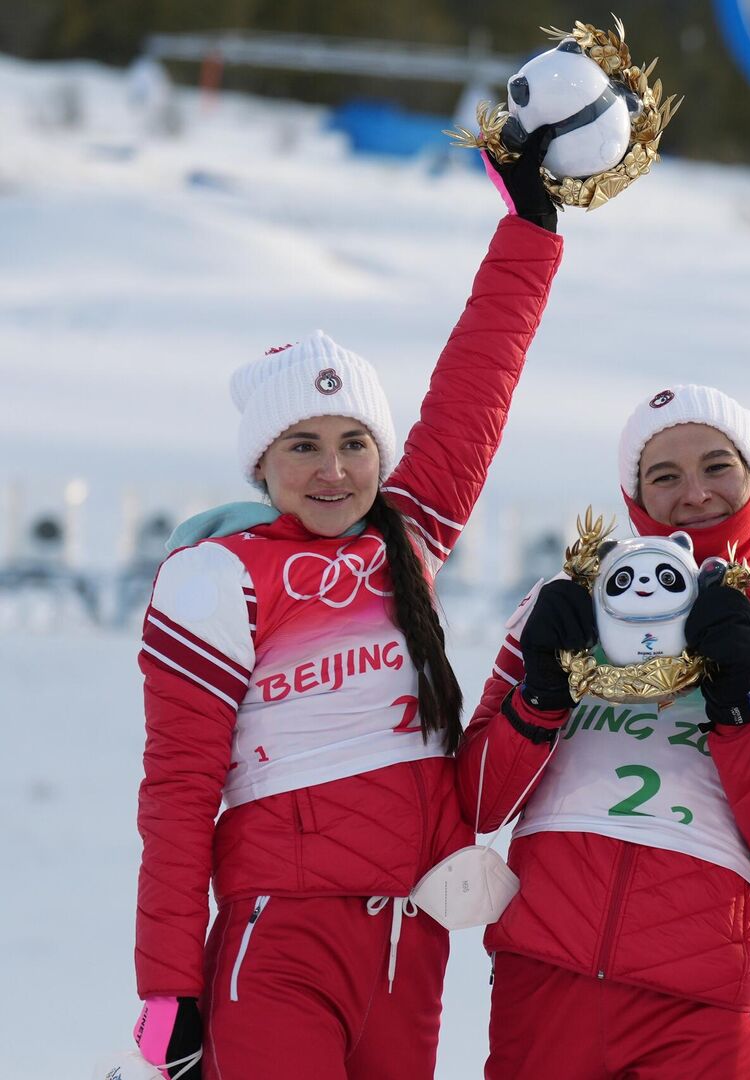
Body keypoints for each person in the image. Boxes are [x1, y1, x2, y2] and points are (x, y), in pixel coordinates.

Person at [132, 132, 567, 1079]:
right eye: (302, 446)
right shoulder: (217, 578)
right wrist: (169, 987)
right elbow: (176, 796)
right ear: (261, 462)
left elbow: (474, 388)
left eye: (353, 442)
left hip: (413, 944)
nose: (333, 470)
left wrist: (530, 231)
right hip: (282, 942)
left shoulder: (404, 540)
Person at [458, 384, 750, 1079]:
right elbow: (477, 801)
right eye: (664, 475)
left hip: (701, 1003)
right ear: (636, 499)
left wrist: (736, 712)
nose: (694, 493)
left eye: (717, 466)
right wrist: (540, 695)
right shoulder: (567, 610)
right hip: (547, 978)